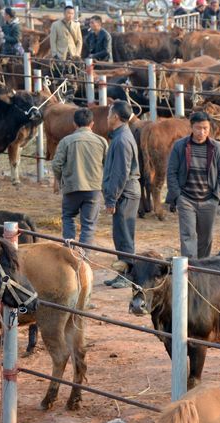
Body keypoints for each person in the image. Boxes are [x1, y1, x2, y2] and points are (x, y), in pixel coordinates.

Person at [166, 111, 220, 259]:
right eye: (198, 128)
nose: (202, 132)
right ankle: (189, 270)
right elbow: (171, 172)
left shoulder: (217, 147)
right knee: (188, 236)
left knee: (205, 238)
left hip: (208, 199)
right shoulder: (180, 146)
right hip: (186, 199)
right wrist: (178, 196)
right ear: (191, 127)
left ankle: (203, 268)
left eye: (205, 128)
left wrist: (216, 196)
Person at [52, 108, 108, 247]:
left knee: (68, 218)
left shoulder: (66, 141)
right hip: (93, 188)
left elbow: (56, 164)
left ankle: (69, 252)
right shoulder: (102, 141)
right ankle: (83, 257)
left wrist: (59, 180)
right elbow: (108, 165)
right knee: (88, 225)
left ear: (74, 124)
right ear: (92, 124)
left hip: (72, 187)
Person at [102, 101, 141, 289]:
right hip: (126, 192)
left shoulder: (121, 139)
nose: (108, 117)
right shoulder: (121, 136)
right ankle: (123, 272)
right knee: (121, 235)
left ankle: (127, 275)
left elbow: (120, 173)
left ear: (116, 117)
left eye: (109, 114)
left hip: (125, 193)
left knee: (124, 235)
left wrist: (111, 198)